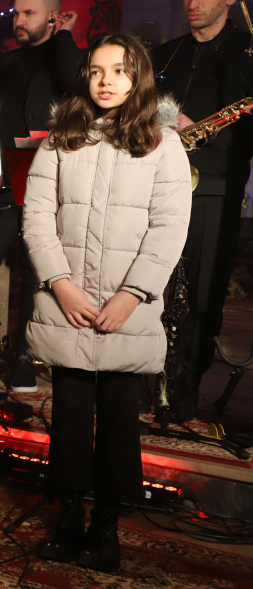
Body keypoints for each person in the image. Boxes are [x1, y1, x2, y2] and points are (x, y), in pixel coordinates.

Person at [24, 34, 191, 572]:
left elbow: (168, 228)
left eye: (119, 70)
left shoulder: (163, 143)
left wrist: (131, 294)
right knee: (70, 415)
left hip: (128, 306)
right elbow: (38, 219)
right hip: (68, 301)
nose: (106, 80)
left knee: (119, 417)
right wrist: (60, 283)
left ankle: (107, 525)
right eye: (96, 70)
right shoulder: (60, 141)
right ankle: (69, 514)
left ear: (138, 76)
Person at [151, 0, 253, 423]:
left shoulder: (247, 52)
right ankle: (145, 381)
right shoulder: (165, 53)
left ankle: (184, 391)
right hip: (155, 183)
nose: (193, 4)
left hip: (213, 185)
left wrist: (206, 132)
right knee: (151, 288)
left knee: (203, 295)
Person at [0, 0, 83, 392]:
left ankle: (22, 359)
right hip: (0, 183)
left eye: (29, 14)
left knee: (37, 277)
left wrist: (66, 36)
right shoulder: (0, 64)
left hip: (49, 186)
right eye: (15, 13)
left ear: (53, 16)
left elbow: (74, 80)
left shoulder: (71, 59)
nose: (18, 21)